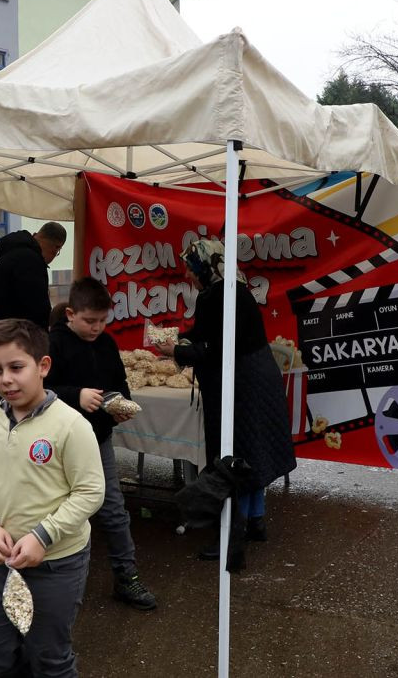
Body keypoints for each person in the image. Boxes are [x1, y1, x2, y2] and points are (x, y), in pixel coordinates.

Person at [0, 318, 104, 677]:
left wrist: (43, 536)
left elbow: (90, 492)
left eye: (16, 367)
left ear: (43, 367)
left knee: (50, 655)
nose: (5, 378)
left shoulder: (71, 425)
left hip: (56, 563)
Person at [156, 239, 297, 572]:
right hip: (259, 375)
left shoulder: (214, 296)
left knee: (230, 459)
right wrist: (182, 337)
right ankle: (256, 522)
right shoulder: (236, 287)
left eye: (191, 267)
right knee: (252, 454)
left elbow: (211, 349)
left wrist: (174, 352)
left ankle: (229, 538)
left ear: (206, 267)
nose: (188, 273)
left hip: (239, 384)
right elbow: (211, 335)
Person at [46, 278, 156, 611]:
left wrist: (121, 404)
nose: (96, 328)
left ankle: (127, 576)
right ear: (70, 314)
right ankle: (49, 578)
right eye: (89, 321)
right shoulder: (53, 344)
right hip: (57, 444)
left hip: (98, 440)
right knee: (53, 508)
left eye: (102, 321)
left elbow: (118, 383)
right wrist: (75, 395)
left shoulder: (107, 344)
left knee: (113, 509)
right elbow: (40, 391)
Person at [0, 222, 65, 335]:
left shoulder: (15, 252)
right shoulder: (31, 262)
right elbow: (38, 312)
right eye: (57, 251)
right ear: (56, 247)